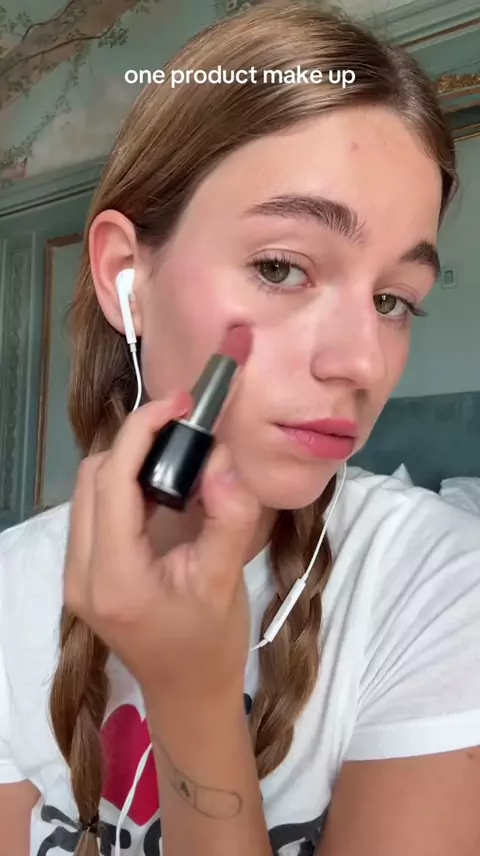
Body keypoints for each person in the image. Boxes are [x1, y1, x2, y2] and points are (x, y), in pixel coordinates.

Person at [1, 2, 480, 855]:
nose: (361, 361)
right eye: (281, 267)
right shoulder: (10, 590)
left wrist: (194, 702)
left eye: (391, 300)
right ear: (126, 278)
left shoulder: (440, 583)